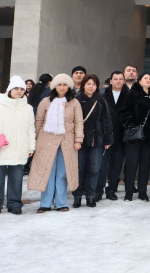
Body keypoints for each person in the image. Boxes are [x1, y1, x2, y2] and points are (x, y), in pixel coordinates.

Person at [28, 73, 84, 213]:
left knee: (62, 173)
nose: (62, 87)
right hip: (46, 141)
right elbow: (39, 121)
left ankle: (61, 202)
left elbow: (79, 122)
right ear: (54, 86)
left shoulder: (74, 102)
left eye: (65, 84)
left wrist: (78, 140)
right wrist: (34, 139)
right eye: (59, 84)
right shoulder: (46, 101)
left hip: (67, 141)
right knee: (47, 171)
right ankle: (45, 203)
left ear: (69, 87)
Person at [0, 76, 35, 217]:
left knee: (16, 179)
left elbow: (30, 130)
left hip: (19, 149)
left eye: (22, 89)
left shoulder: (28, 109)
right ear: (9, 89)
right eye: (16, 88)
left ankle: (14, 203)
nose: (19, 91)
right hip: (0, 149)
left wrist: (30, 147)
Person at [73, 74, 113, 208]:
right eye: (88, 84)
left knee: (94, 169)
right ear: (83, 85)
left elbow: (107, 121)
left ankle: (90, 195)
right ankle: (77, 196)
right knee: (79, 169)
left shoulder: (101, 101)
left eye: (94, 84)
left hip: (97, 140)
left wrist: (108, 140)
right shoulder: (76, 100)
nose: (91, 87)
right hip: (80, 140)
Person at [119, 72, 150, 202]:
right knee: (131, 165)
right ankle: (129, 193)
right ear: (139, 81)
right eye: (145, 78)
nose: (148, 80)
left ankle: (143, 192)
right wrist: (132, 124)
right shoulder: (132, 94)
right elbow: (123, 113)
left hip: (148, 137)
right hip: (134, 136)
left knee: (145, 166)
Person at [100, 70, 127, 201]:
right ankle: (98, 190)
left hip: (121, 135)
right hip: (105, 135)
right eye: (115, 79)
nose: (118, 81)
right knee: (102, 165)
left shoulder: (128, 95)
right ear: (111, 81)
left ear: (124, 81)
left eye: (120, 79)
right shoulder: (102, 94)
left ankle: (111, 189)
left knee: (116, 164)